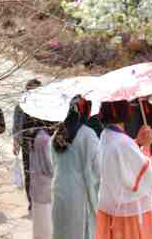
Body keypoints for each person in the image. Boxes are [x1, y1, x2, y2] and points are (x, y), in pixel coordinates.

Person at [96, 100, 152, 239]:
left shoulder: (105, 135)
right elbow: (150, 181)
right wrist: (146, 147)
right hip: (128, 214)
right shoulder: (123, 142)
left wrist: (137, 142)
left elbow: (122, 160)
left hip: (110, 208)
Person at [51, 96, 100, 239]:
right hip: (78, 192)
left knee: (61, 231)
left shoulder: (57, 134)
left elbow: (52, 163)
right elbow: (97, 168)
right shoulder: (88, 134)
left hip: (58, 189)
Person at [125, 97, 152, 201]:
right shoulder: (133, 110)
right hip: (142, 144)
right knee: (147, 167)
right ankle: (150, 193)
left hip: (150, 143)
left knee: (149, 167)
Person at [13, 78, 42, 210]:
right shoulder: (21, 106)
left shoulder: (45, 105)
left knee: (42, 173)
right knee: (29, 172)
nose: (33, 92)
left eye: (36, 90)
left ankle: (41, 199)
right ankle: (31, 201)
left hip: (42, 144)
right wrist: (16, 142)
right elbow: (16, 125)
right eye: (31, 89)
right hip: (26, 143)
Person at [31, 123, 54, 239]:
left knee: (38, 222)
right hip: (46, 185)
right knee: (47, 223)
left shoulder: (35, 136)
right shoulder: (46, 139)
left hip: (36, 184)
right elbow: (51, 165)